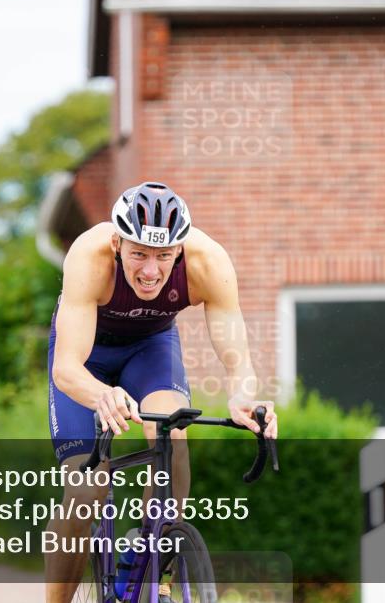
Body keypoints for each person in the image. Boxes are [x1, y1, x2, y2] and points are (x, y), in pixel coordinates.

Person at [45, 181, 278, 602]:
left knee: (174, 438)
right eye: (138, 254)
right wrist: (101, 395)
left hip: (150, 350)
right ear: (117, 243)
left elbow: (237, 357)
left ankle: (146, 569)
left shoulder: (208, 262)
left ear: (181, 250)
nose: (151, 271)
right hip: (86, 357)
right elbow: (67, 368)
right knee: (85, 490)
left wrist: (244, 394)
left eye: (164, 256)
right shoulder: (88, 255)